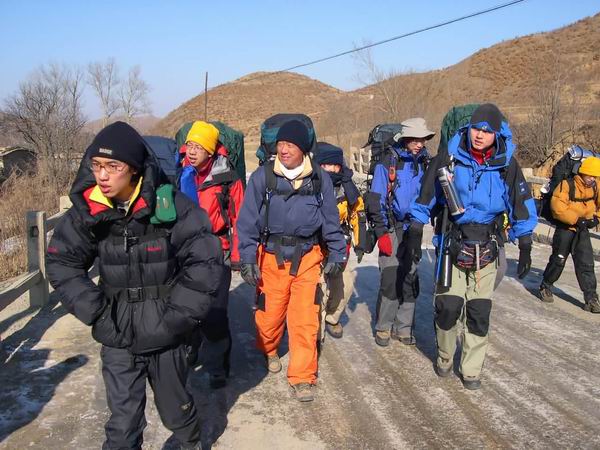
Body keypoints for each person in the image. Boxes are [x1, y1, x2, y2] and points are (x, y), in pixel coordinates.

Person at [46, 121, 224, 449]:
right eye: (97, 165)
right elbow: (62, 261)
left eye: (113, 166)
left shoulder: (171, 207)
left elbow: (204, 261)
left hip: (168, 332)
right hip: (117, 332)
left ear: (134, 169)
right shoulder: (90, 208)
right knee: (122, 424)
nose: (102, 175)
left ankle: (192, 442)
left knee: (176, 414)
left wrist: (178, 317)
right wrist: (97, 312)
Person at [407, 104, 538, 390]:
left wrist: (525, 240)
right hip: (452, 241)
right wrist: (416, 229)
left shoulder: (506, 164)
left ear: (497, 135)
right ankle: (444, 356)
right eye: (476, 129)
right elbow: (426, 194)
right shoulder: (448, 158)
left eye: (487, 132)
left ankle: (471, 369)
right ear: (469, 129)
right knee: (448, 307)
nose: (480, 135)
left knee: (478, 311)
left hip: (487, 245)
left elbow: (521, 203)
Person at [236, 119, 347, 402]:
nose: (283, 150)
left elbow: (331, 221)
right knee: (269, 317)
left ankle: (302, 376)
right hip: (271, 257)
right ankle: (269, 349)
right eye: (281, 144)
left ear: (303, 148)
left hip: (308, 256)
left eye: (290, 145)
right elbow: (247, 221)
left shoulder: (319, 178)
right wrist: (247, 257)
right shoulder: (263, 177)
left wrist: (337, 252)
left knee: (305, 318)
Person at [177, 120, 244, 388]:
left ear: (211, 150)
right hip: (185, 251)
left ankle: (217, 365)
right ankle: (191, 348)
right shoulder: (179, 173)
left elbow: (240, 219)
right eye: (189, 145)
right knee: (187, 307)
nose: (192, 151)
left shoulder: (227, 178)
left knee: (215, 312)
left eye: (198, 147)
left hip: (217, 249)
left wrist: (238, 255)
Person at [368, 118, 433, 347]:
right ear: (405, 138)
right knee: (390, 277)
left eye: (422, 140)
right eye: (415, 139)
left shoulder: (425, 162)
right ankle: (384, 326)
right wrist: (381, 232)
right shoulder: (388, 162)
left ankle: (403, 327)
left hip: (413, 227)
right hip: (391, 226)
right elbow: (375, 199)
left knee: (410, 276)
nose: (419, 144)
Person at [314, 142, 367, 339]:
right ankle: (316, 326)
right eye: (325, 166)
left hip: (339, 245)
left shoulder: (347, 187)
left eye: (334, 166)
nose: (330, 170)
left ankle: (332, 316)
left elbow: (357, 214)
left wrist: (360, 243)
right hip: (316, 246)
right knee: (319, 287)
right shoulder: (311, 185)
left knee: (345, 284)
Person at [538, 156, 600, 312]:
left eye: (595, 176)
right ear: (583, 173)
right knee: (558, 260)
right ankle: (546, 285)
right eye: (590, 176)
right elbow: (557, 208)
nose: (593, 179)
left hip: (582, 230)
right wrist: (576, 219)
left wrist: (596, 218)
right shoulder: (567, 184)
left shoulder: (596, 186)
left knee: (586, 264)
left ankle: (591, 298)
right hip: (565, 228)